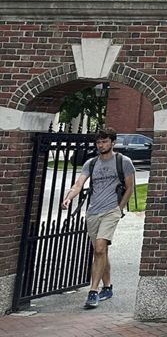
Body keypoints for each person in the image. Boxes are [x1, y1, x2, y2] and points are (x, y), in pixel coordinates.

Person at [60, 126, 136, 309]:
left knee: (100, 248)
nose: (101, 145)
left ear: (113, 142)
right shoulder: (91, 163)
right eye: (98, 142)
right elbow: (79, 184)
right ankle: (107, 287)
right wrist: (69, 197)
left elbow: (130, 187)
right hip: (93, 211)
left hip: (111, 211)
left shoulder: (123, 162)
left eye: (104, 141)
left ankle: (93, 292)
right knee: (101, 251)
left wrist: (119, 209)